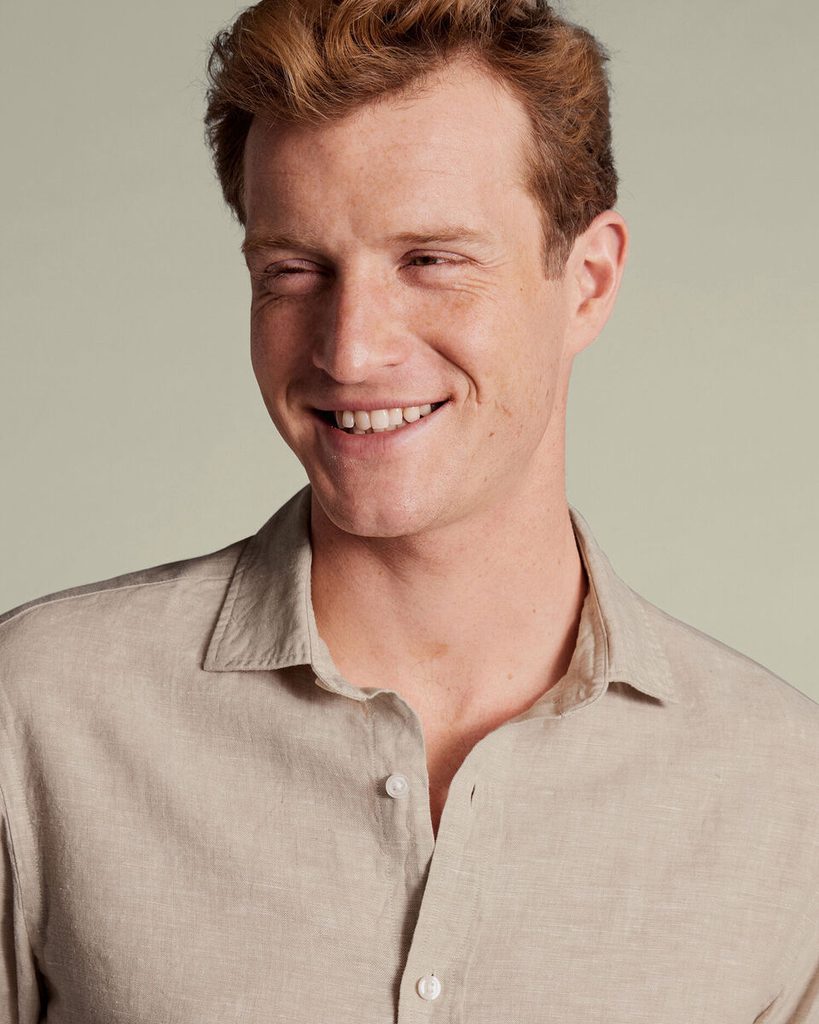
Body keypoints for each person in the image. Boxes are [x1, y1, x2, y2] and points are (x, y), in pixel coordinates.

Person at [1, 0, 817, 1019]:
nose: (349, 350)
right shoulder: (38, 714)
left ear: (589, 281)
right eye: (293, 271)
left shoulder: (786, 798)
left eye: (431, 261)